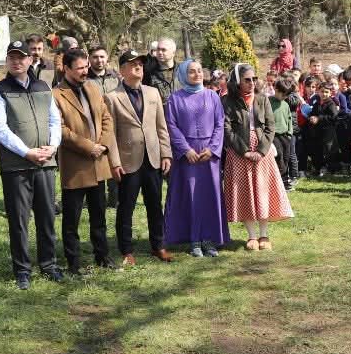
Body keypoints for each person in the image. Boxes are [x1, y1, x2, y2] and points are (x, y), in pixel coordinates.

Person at [0, 39, 63, 288]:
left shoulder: (43, 87)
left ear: (30, 60)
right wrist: (27, 152)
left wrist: (53, 146)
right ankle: (22, 270)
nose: (16, 62)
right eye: (12, 57)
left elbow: (55, 120)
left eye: (21, 57)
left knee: (47, 217)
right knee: (19, 221)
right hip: (16, 166)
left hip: (46, 163)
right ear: (7, 61)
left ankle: (49, 264)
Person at [52, 47, 117, 277]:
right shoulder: (56, 95)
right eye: (79, 68)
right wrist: (89, 147)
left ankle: (103, 256)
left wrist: (103, 144)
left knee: (99, 215)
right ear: (66, 69)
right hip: (75, 167)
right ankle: (74, 263)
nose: (84, 71)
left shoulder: (92, 87)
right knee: (72, 219)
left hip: (98, 163)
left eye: (86, 66)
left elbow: (106, 117)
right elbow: (61, 130)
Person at [107, 49, 173, 266]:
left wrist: (166, 153)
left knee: (155, 204)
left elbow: (161, 126)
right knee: (126, 207)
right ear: (122, 70)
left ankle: (158, 245)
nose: (138, 67)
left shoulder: (153, 93)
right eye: (133, 64)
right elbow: (110, 134)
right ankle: (126, 250)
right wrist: (114, 162)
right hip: (128, 160)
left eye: (141, 64)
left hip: (152, 158)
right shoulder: (112, 98)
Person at [222, 64, 293, 249]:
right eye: (247, 79)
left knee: (263, 191)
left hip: (262, 151)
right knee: (244, 192)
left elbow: (270, 126)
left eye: (254, 79)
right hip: (239, 152)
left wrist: (261, 151)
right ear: (237, 81)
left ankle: (263, 235)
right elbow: (226, 129)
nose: (252, 83)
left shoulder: (262, 99)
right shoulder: (227, 101)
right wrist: (244, 151)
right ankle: (252, 236)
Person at [163, 60, 229, 257]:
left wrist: (213, 149)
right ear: (184, 75)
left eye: (199, 70)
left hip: (209, 156)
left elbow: (220, 123)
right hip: (187, 157)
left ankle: (209, 239)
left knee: (209, 196)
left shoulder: (213, 96)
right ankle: (193, 240)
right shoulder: (174, 99)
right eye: (192, 72)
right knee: (190, 196)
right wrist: (185, 150)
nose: (197, 74)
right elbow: (171, 125)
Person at [144, 38, 179, 106]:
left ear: (173, 52)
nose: (159, 52)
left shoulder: (183, 70)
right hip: (160, 111)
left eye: (163, 50)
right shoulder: (148, 72)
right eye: (158, 49)